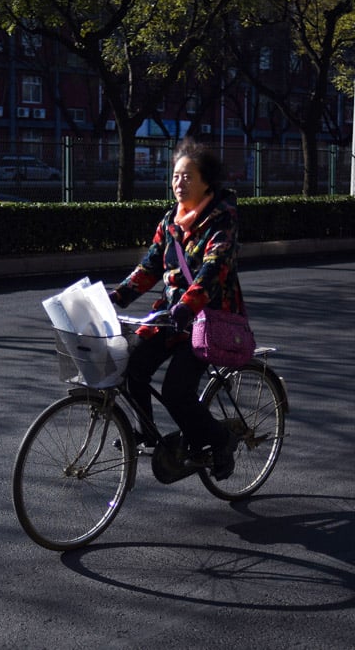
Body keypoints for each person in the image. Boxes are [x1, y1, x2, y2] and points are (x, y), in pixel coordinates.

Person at [109, 137, 245, 481]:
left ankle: (220, 439)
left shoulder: (221, 220)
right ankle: (147, 434)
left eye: (187, 177)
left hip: (208, 319)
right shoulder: (171, 221)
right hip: (173, 317)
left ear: (206, 182)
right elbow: (151, 266)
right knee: (131, 367)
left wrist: (186, 306)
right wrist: (118, 297)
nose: (178, 183)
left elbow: (213, 269)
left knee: (176, 392)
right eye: (175, 177)